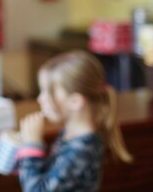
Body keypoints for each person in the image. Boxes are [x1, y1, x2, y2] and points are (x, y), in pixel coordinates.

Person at [15, 50, 133, 191]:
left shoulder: (83, 149)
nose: (41, 99)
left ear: (75, 101)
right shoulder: (70, 133)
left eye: (48, 92)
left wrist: (32, 146)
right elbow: (48, 175)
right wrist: (21, 153)